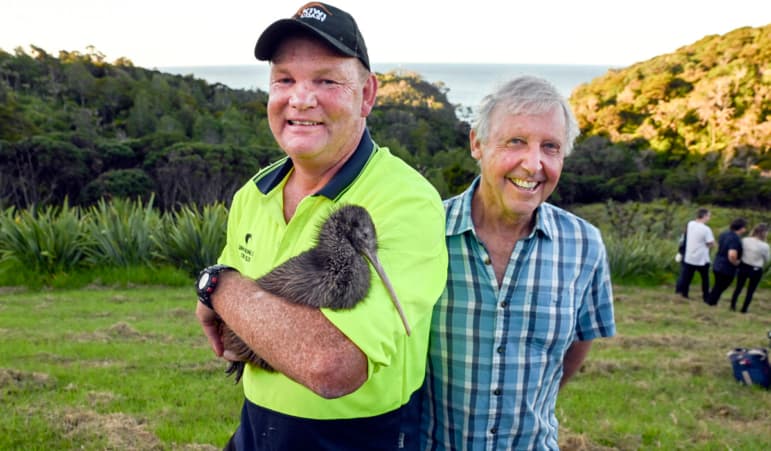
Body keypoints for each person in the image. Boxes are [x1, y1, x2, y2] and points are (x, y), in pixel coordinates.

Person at [194, 3, 448, 449]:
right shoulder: (255, 194)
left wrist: (217, 284)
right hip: (255, 428)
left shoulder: (405, 201)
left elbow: (331, 363)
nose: (301, 99)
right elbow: (234, 340)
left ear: (367, 94)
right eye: (285, 80)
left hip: (360, 436)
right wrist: (266, 318)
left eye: (327, 80)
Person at [420, 76, 616, 450]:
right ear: (477, 143)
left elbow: (579, 343)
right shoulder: (422, 233)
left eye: (551, 147)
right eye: (515, 142)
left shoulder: (584, 244)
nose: (533, 164)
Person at [675, 208, 715, 301]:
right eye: (709, 216)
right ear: (704, 216)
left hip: (689, 256)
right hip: (702, 258)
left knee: (687, 277)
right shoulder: (706, 229)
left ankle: (684, 294)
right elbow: (710, 243)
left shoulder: (690, 224)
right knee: (705, 278)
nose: (709, 218)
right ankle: (706, 296)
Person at [706, 218, 748, 306]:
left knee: (718, 284)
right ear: (741, 228)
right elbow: (732, 254)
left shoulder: (724, 234)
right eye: (744, 227)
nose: (745, 229)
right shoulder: (735, 239)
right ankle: (711, 301)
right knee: (723, 285)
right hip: (726, 267)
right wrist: (736, 262)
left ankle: (711, 300)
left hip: (718, 262)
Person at [730, 223, 769, 313]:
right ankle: (744, 309)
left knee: (738, 287)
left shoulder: (745, 240)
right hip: (756, 268)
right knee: (751, 290)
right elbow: (767, 259)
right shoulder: (764, 246)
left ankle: (732, 305)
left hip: (744, 265)